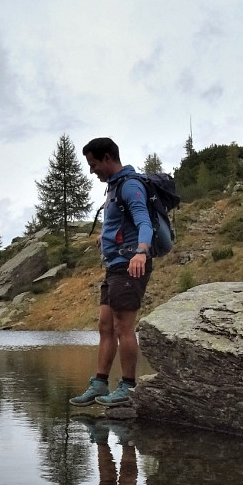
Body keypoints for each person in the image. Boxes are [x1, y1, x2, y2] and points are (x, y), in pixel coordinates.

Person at [69, 137, 154, 408]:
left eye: (93, 164)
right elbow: (120, 223)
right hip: (115, 265)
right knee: (105, 326)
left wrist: (141, 251)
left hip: (131, 264)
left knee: (123, 327)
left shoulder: (130, 186)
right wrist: (104, 239)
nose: (92, 170)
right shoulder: (114, 188)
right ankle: (99, 383)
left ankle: (128, 386)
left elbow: (144, 221)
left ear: (107, 158)